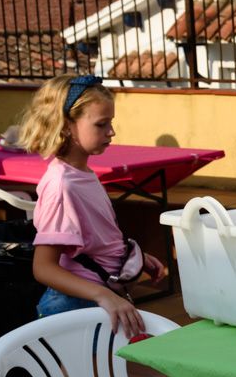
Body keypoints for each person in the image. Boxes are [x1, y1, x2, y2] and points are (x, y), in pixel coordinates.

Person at [22, 74, 167, 336]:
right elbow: (43, 267)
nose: (111, 132)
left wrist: (135, 258)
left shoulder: (83, 173)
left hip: (97, 299)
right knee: (81, 376)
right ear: (66, 125)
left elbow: (96, 237)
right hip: (75, 305)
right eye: (101, 124)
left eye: (110, 122)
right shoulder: (62, 185)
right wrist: (103, 295)